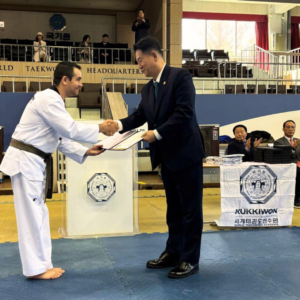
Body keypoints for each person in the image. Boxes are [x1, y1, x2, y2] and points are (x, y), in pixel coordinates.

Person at [0, 62, 118, 280]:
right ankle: (35, 270)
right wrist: (100, 128)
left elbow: (61, 139)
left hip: (33, 162)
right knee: (31, 216)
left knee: (39, 215)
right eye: (78, 79)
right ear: (65, 80)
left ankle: (43, 264)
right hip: (26, 161)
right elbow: (69, 129)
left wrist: (85, 151)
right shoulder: (48, 98)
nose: (81, 84)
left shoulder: (54, 101)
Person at [107, 36, 205, 279]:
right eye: (136, 62)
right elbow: (139, 116)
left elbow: (185, 113)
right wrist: (116, 124)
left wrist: (157, 133)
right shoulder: (148, 88)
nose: (138, 65)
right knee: (174, 209)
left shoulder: (180, 77)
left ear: (154, 56)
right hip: (166, 158)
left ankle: (190, 259)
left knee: (191, 210)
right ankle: (173, 252)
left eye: (140, 60)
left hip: (187, 155)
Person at [274, 120, 300, 208]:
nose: (290, 129)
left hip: (298, 163)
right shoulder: (279, 142)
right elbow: (283, 156)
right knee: (298, 171)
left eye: (293, 127)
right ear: (283, 129)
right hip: (287, 165)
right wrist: (293, 148)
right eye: (288, 127)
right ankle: (296, 198)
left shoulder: (297, 140)